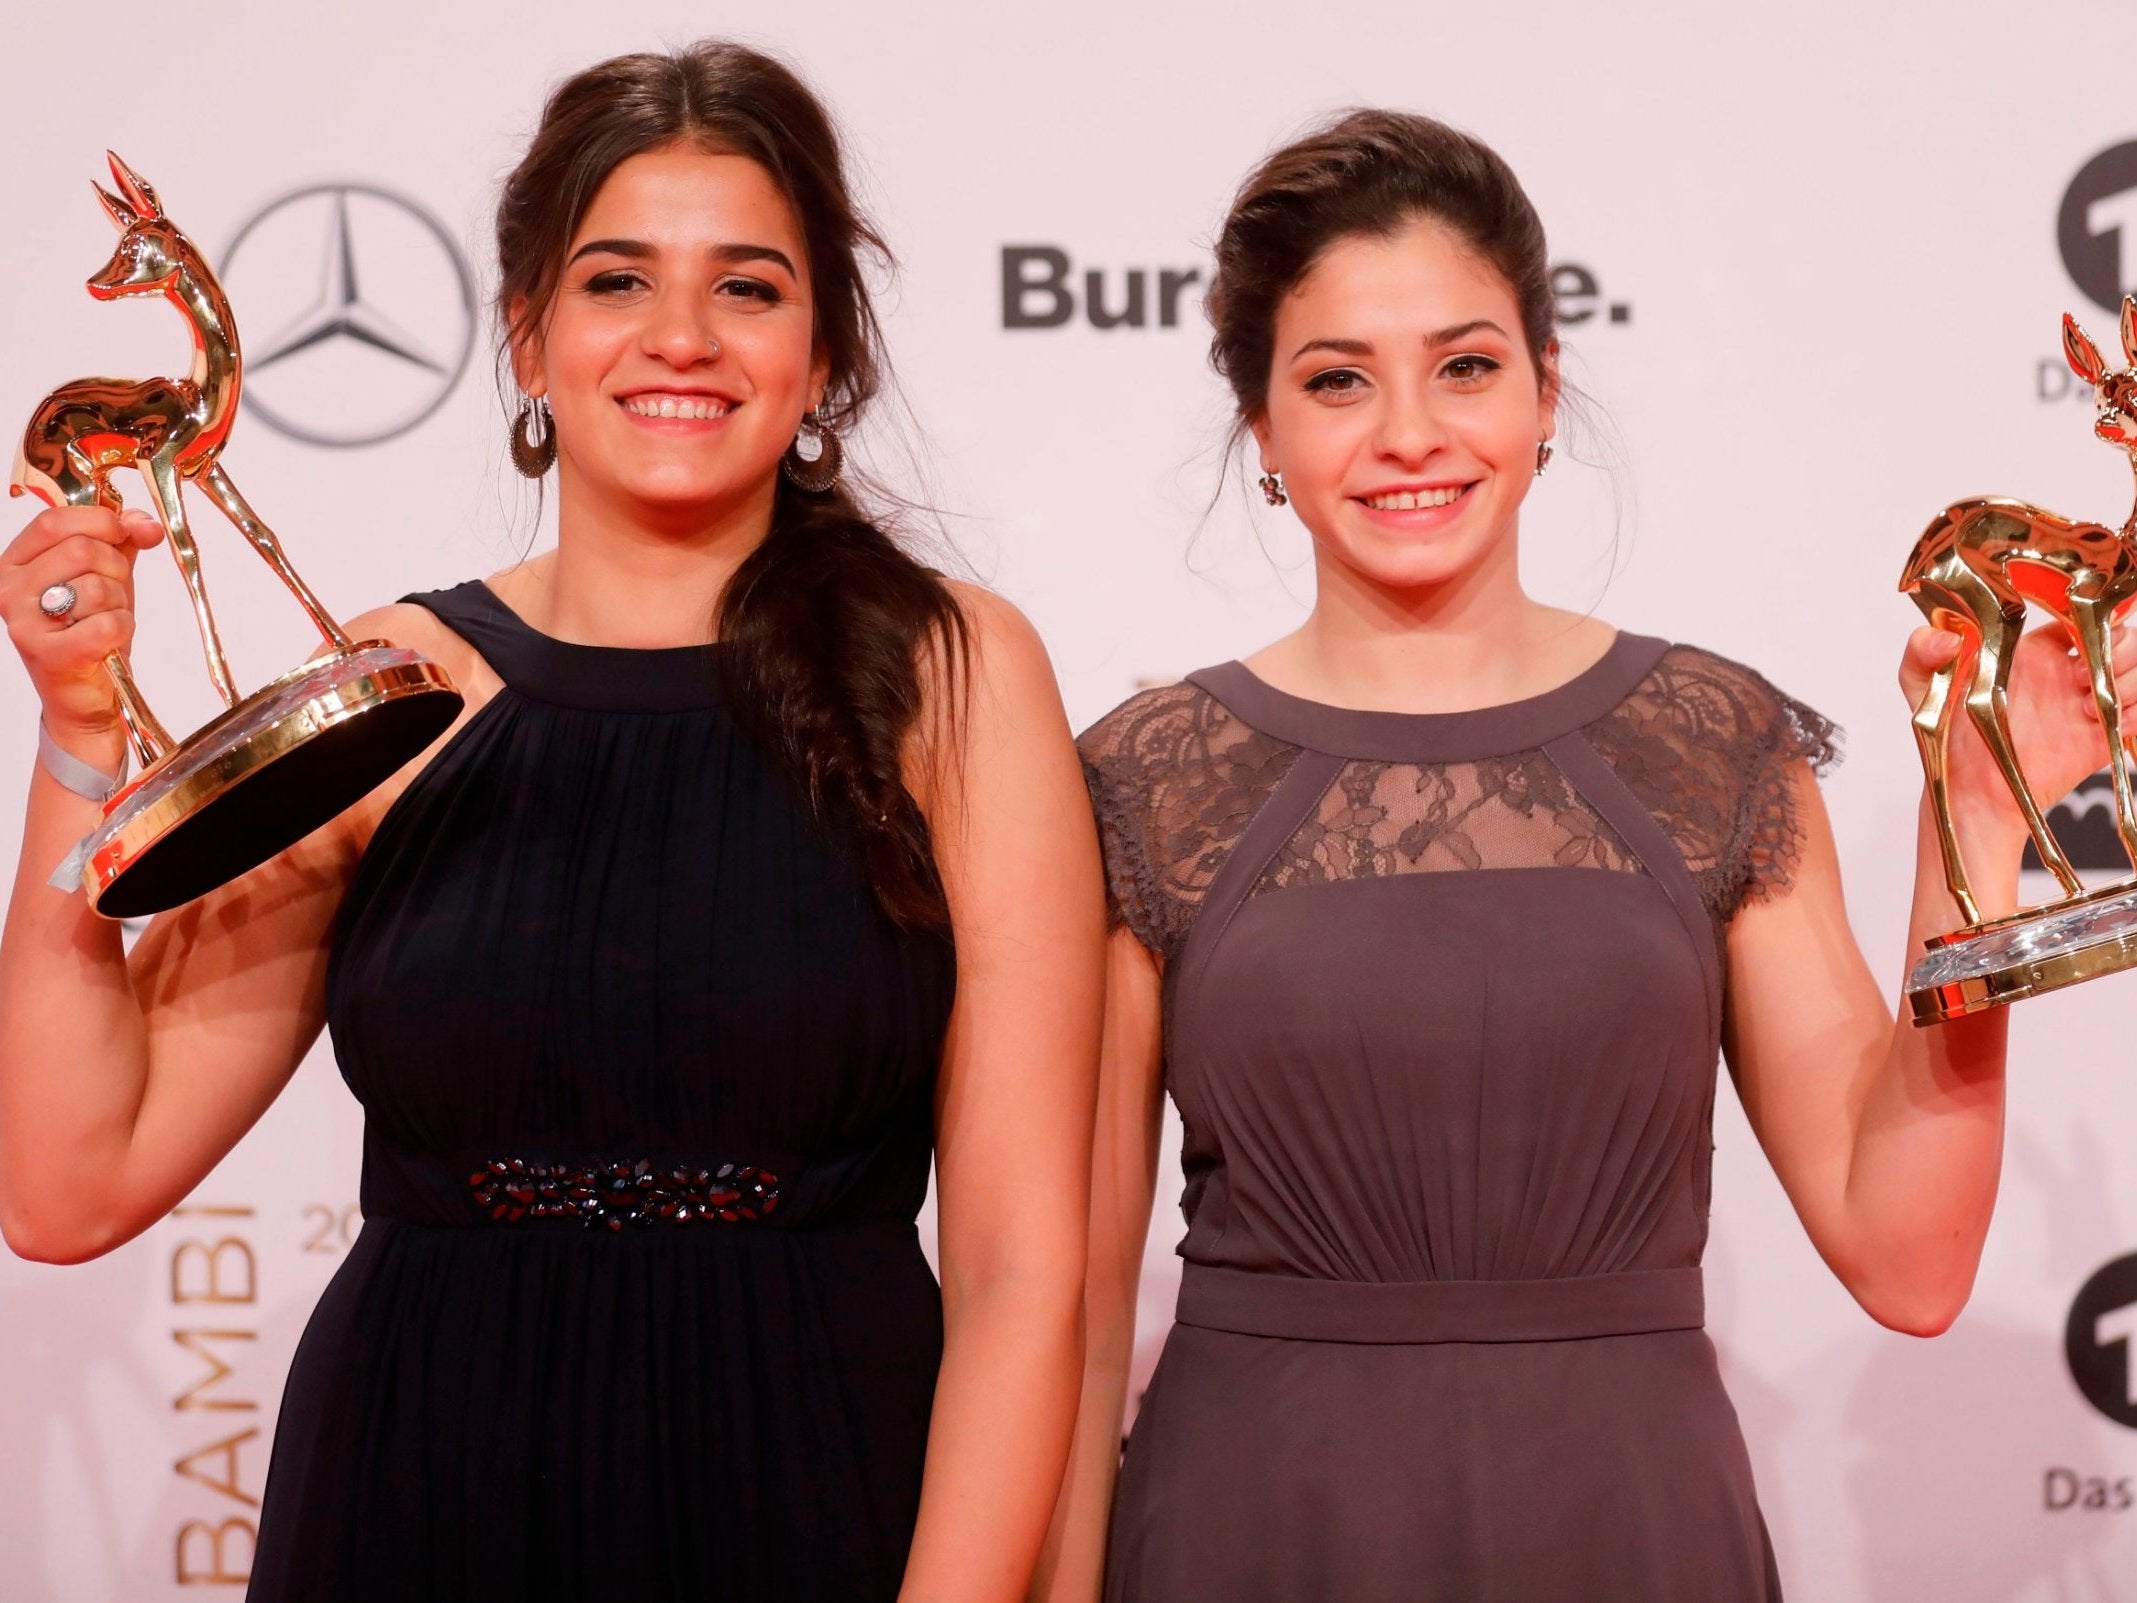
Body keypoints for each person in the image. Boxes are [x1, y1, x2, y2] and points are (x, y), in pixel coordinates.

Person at [0, 41, 1100, 1602]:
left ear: (824, 353)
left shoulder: (948, 671)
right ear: (527, 335)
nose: (679, 338)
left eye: (748, 287)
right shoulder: (385, 690)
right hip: (414, 1490)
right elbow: (66, 1181)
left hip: (820, 1481)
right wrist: (82, 735)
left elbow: (1017, 1280)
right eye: (614, 282)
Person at [1037, 109, 2121, 1602]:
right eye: (1337, 379)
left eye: (1464, 365)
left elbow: (1908, 1257)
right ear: (1263, 432)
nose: (1409, 430)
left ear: (1548, 391)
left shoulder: (1709, 741)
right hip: (1252, 1523)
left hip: (1626, 1522)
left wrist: (1979, 830)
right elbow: (1075, 1312)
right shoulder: (1148, 777)